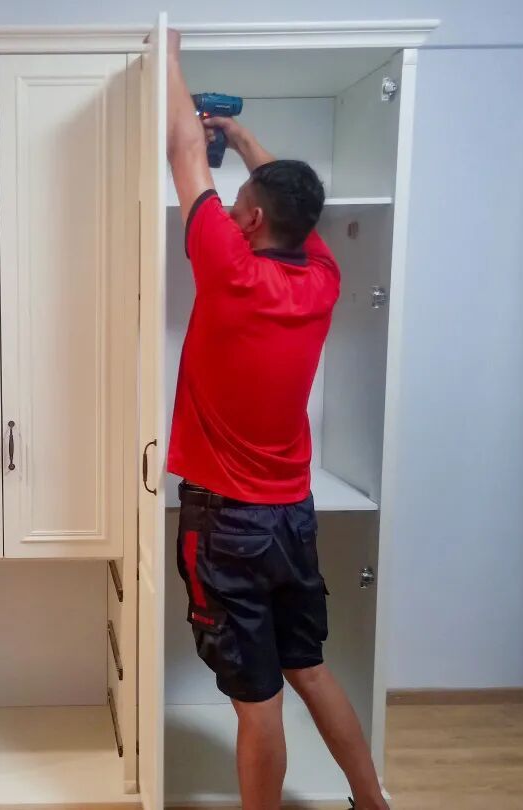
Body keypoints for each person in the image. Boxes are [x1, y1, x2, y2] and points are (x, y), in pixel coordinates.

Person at [163, 29, 389, 810]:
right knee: (309, 669)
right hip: (292, 516)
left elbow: (182, 153)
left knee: (257, 705)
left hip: (228, 525)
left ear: (252, 221)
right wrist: (245, 140)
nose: (227, 212)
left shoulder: (228, 270)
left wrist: (169, 55)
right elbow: (296, 207)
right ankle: (373, 801)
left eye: (239, 209)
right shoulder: (321, 277)